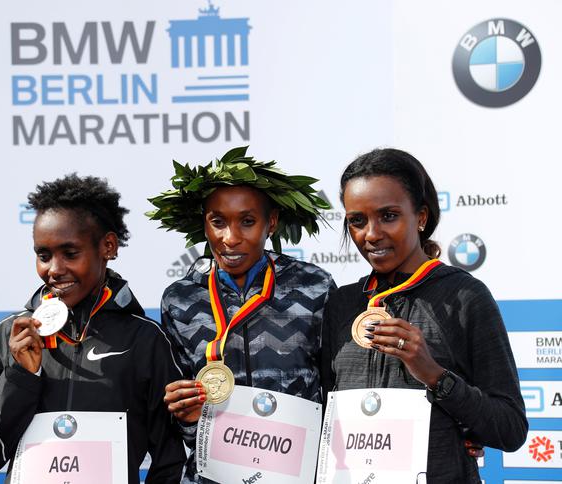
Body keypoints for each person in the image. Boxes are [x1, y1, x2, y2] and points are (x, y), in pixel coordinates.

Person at [0, 173, 186, 483]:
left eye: (70, 253)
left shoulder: (145, 339)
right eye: (43, 255)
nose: (54, 269)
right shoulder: (10, 336)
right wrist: (21, 377)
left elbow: (170, 460)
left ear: (108, 246)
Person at [321, 148, 527, 482]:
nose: (371, 234)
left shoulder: (465, 297)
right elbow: (325, 421)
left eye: (388, 216)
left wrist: (435, 376)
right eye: (357, 221)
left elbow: (510, 429)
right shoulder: (342, 303)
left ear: (420, 217)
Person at [147, 146, 336, 483]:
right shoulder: (179, 300)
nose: (230, 239)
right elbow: (180, 419)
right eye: (217, 222)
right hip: (212, 476)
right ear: (203, 224)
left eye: (247, 222)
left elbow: (335, 392)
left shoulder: (314, 287)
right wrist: (190, 420)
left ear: (272, 222)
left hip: (294, 475)